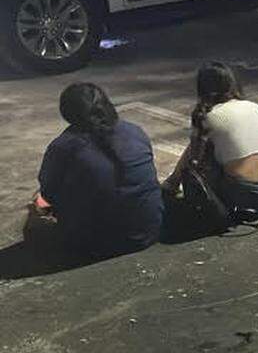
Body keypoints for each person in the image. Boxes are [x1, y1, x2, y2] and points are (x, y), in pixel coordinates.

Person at [30, 83, 163, 258]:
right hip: (148, 231)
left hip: (94, 245)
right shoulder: (134, 132)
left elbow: (49, 195)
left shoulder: (62, 147)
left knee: (37, 206)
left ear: (67, 114)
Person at [164, 63, 258, 222]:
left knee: (205, 152)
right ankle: (172, 183)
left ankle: (174, 185)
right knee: (220, 143)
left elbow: (194, 159)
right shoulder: (254, 107)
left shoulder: (209, 116)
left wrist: (174, 181)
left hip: (245, 193)